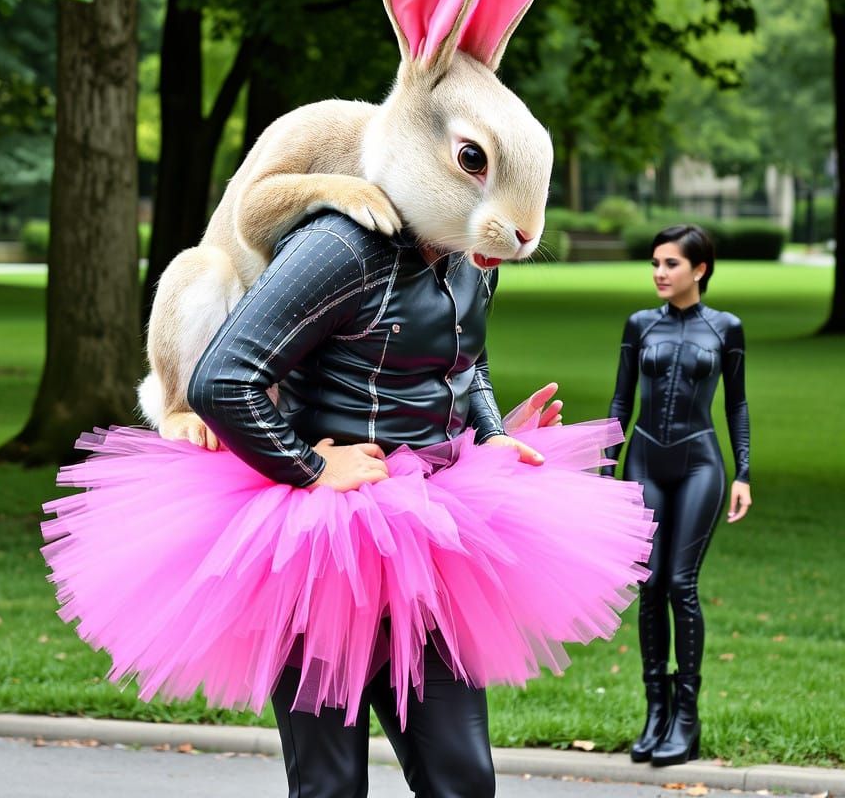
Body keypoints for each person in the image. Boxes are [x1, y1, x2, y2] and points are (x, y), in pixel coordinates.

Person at [42, 211, 655, 798]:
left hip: (430, 537)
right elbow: (221, 380)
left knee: (463, 779)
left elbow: (470, 365)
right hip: (315, 545)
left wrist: (491, 430)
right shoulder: (339, 246)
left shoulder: (477, 249)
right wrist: (310, 466)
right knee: (330, 786)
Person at [604, 224, 752, 767]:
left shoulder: (726, 328)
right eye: (655, 264)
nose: (659, 273)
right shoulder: (640, 324)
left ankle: (685, 720)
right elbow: (620, 403)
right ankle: (655, 713)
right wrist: (605, 472)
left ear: (700, 269)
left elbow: (736, 405)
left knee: (680, 583)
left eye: (670, 264)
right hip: (644, 459)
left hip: (699, 464)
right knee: (649, 585)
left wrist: (744, 473)